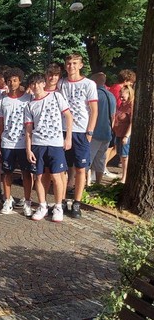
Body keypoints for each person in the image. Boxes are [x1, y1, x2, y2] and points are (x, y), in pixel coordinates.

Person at [25, 73, 73, 222]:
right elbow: (28, 130)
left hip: (55, 143)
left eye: (38, 83)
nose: (36, 87)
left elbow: (68, 116)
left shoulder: (56, 97)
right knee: (38, 176)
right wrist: (28, 149)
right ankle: (42, 205)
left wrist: (68, 137)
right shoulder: (30, 105)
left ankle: (58, 206)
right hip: (38, 144)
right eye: (33, 84)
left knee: (56, 176)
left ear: (43, 83)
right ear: (30, 87)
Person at [58, 53, 98, 218]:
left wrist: (90, 131)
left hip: (81, 131)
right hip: (61, 130)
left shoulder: (89, 84)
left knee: (81, 168)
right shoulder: (61, 83)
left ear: (81, 65)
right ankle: (60, 201)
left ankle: (76, 203)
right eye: (68, 63)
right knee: (62, 168)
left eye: (75, 63)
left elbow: (94, 110)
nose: (71, 66)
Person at [0, 67, 34, 217]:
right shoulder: (2, 101)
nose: (12, 83)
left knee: (26, 173)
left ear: (20, 81)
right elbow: (0, 124)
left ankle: (28, 201)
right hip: (7, 143)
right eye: (9, 81)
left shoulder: (28, 98)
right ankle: (7, 200)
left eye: (15, 80)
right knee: (7, 173)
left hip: (24, 143)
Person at [89, 72, 116, 184]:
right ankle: (98, 183)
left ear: (93, 82)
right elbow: (113, 116)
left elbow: (90, 113)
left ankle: (87, 183)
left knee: (88, 159)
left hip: (94, 132)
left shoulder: (94, 95)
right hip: (106, 132)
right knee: (101, 159)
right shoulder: (111, 95)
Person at [112, 84, 134, 183]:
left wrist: (126, 136)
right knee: (121, 156)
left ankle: (125, 177)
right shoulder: (122, 105)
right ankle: (123, 174)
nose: (121, 98)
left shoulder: (131, 105)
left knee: (125, 157)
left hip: (126, 134)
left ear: (129, 94)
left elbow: (132, 122)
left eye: (123, 96)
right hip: (118, 133)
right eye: (120, 96)